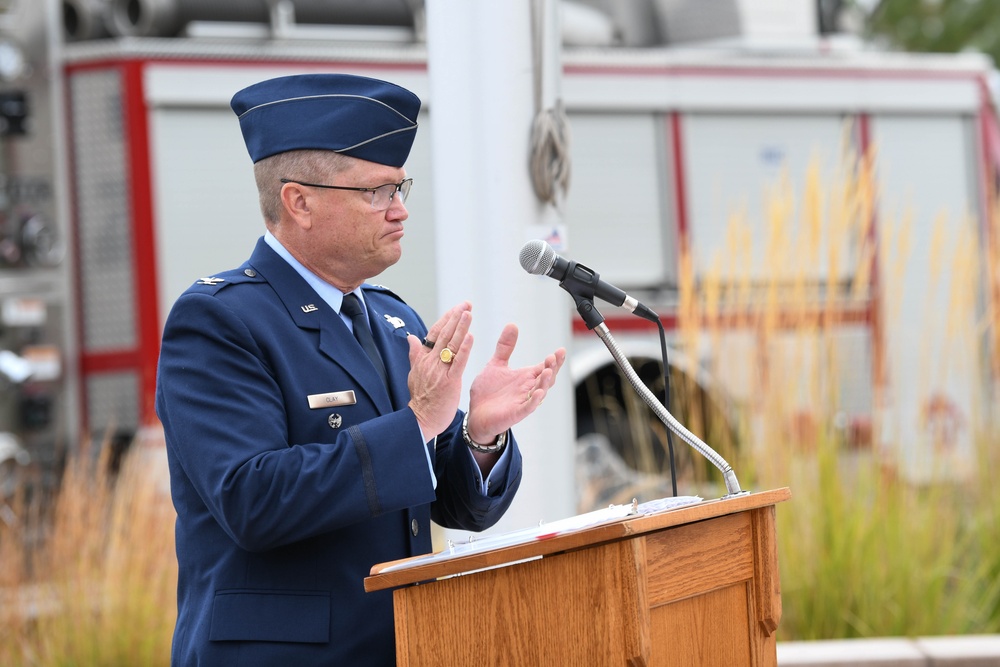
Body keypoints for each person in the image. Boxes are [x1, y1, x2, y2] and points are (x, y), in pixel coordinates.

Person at [155, 72, 566, 666]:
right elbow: (252, 501)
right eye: (376, 192)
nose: (399, 211)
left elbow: (452, 508)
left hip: (404, 646)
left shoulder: (391, 318)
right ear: (299, 202)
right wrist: (421, 420)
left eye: (401, 188)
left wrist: (479, 435)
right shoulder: (219, 321)